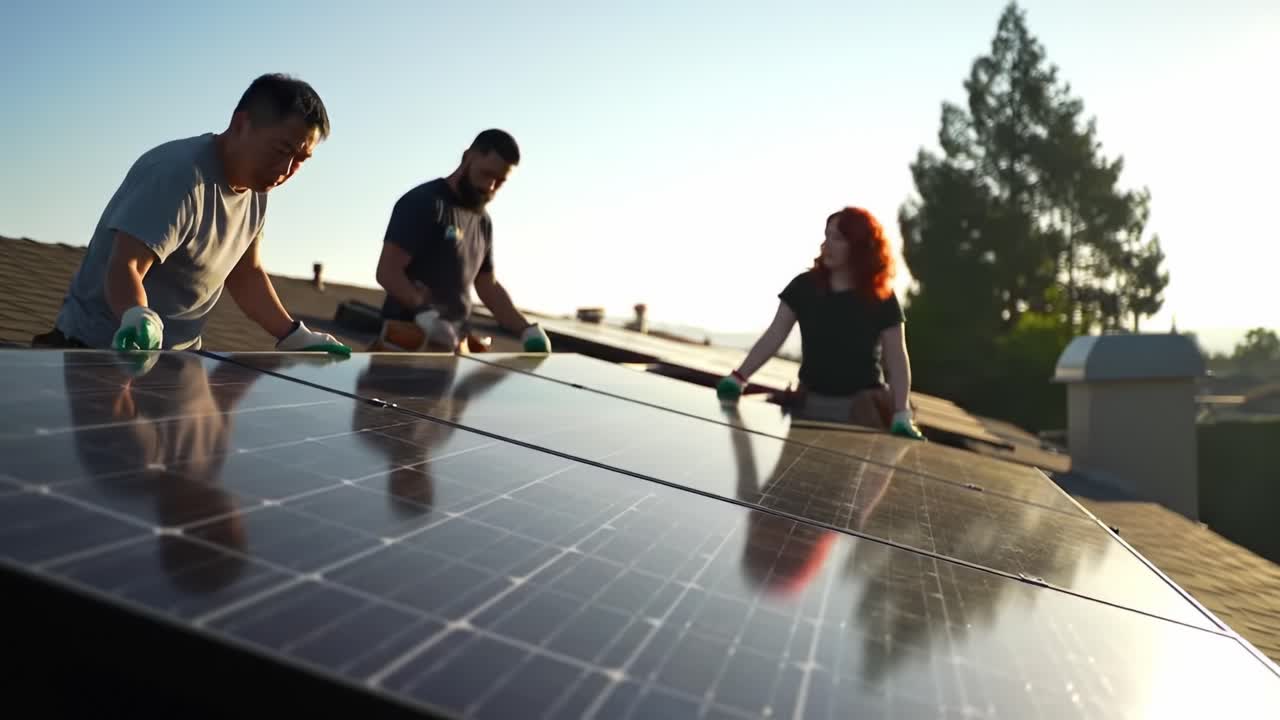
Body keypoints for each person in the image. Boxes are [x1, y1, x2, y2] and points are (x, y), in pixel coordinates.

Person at [34, 73, 350, 355]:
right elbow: (125, 264)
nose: (285, 170)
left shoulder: (257, 189)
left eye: (301, 160)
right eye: (281, 151)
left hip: (171, 363)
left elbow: (246, 273)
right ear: (242, 125)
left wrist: (294, 334)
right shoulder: (178, 174)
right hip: (98, 352)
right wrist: (136, 315)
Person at [717, 207, 925, 440]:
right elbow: (774, 336)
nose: (827, 244)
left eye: (837, 238)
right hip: (808, 405)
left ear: (859, 246)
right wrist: (739, 377)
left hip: (862, 412)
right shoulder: (803, 287)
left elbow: (896, 358)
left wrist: (901, 411)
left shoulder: (882, 297)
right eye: (826, 236)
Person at [373, 129, 551, 353]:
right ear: (467, 157)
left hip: (453, 347)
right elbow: (388, 271)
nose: (491, 187)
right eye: (487, 174)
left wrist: (526, 329)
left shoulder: (482, 222)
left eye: (500, 181)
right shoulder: (424, 202)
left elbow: (488, 286)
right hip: (406, 343)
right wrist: (425, 315)